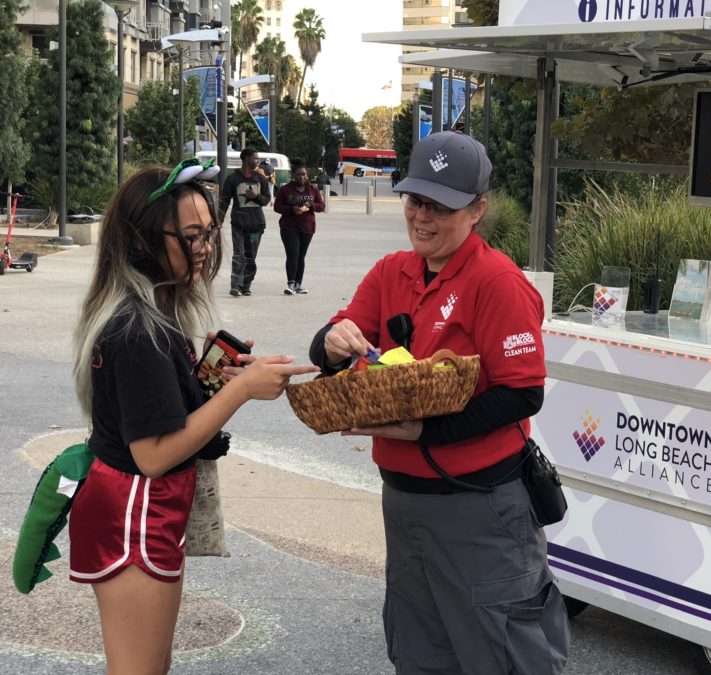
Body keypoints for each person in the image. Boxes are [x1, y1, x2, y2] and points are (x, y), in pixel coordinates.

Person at [308, 131, 569, 674]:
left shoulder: (497, 282)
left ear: (477, 209)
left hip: (480, 507)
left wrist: (427, 431)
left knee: (503, 654)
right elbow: (337, 337)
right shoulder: (390, 272)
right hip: (404, 507)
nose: (422, 217)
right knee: (421, 654)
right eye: (415, 200)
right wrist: (331, 343)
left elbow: (524, 392)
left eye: (441, 205)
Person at [68, 160, 318, 675]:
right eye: (191, 236)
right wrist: (242, 391)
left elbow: (159, 412)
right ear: (142, 240)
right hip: (133, 516)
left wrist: (206, 376)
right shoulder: (139, 330)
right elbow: (153, 454)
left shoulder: (153, 313)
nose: (204, 247)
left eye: (208, 233)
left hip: (144, 513)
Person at [218, 147, 270, 296]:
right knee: (238, 255)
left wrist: (256, 198)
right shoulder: (232, 179)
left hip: (256, 226)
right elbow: (224, 201)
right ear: (246, 158)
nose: (257, 161)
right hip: (238, 224)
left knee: (250, 256)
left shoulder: (260, 179)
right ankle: (236, 285)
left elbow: (266, 199)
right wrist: (218, 221)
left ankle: (246, 285)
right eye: (255, 158)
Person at [273, 160, 325, 295]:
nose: (301, 177)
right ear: (293, 176)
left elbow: (321, 206)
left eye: (303, 175)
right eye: (298, 175)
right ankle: (290, 283)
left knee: (301, 256)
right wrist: (291, 209)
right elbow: (277, 207)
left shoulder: (313, 189)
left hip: (307, 227)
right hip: (289, 227)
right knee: (293, 254)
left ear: (307, 175)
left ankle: (298, 284)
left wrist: (311, 205)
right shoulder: (285, 189)